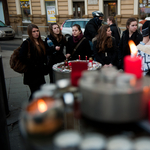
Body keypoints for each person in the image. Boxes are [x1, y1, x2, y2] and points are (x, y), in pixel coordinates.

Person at [19, 24, 48, 101]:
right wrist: (33, 65)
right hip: (31, 74)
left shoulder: (41, 42)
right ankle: (30, 109)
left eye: (37, 31)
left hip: (40, 73)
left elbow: (44, 55)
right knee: (35, 93)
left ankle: (37, 108)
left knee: (40, 92)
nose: (36, 33)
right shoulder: (27, 43)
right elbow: (22, 57)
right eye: (34, 31)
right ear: (30, 33)